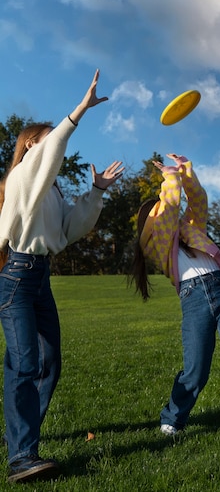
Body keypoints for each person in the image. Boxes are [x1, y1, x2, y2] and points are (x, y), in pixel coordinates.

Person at [0, 70, 124, 484]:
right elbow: (50, 150)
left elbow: (72, 229)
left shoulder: (49, 191)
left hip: (40, 279)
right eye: (48, 138)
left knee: (49, 362)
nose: (57, 144)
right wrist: (79, 111)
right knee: (24, 362)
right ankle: (22, 456)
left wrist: (97, 193)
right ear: (32, 145)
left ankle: (18, 435)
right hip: (16, 276)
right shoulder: (24, 178)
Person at [131, 153, 220, 444]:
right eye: (161, 209)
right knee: (196, 371)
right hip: (194, 299)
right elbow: (172, 203)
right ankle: (172, 418)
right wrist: (169, 176)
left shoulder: (189, 231)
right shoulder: (154, 241)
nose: (168, 211)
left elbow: (197, 200)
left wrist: (185, 170)